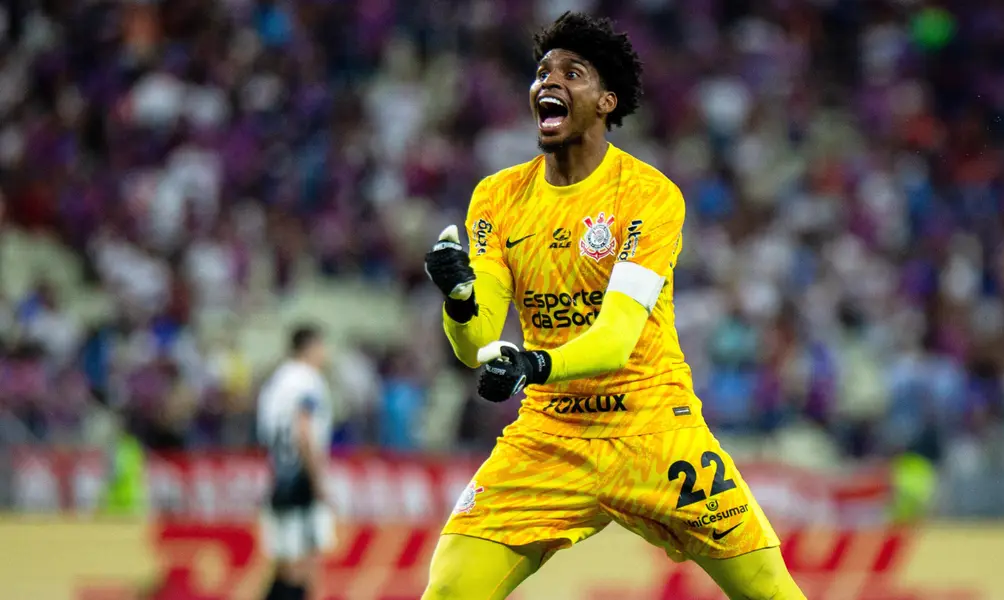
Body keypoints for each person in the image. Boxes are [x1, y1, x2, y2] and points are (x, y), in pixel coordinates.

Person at [421, 12, 805, 600]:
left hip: (652, 427)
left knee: (769, 591)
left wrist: (533, 365)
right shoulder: (497, 197)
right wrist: (459, 297)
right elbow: (476, 343)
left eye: (571, 73)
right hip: (550, 435)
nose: (548, 82)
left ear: (606, 100)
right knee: (448, 590)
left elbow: (618, 333)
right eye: (542, 71)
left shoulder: (647, 195)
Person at [256, 325, 336, 600]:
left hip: (279, 475)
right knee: (302, 566)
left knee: (283, 564)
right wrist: (317, 480)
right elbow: (303, 429)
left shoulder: (276, 382)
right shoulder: (307, 380)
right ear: (311, 347)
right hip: (300, 477)